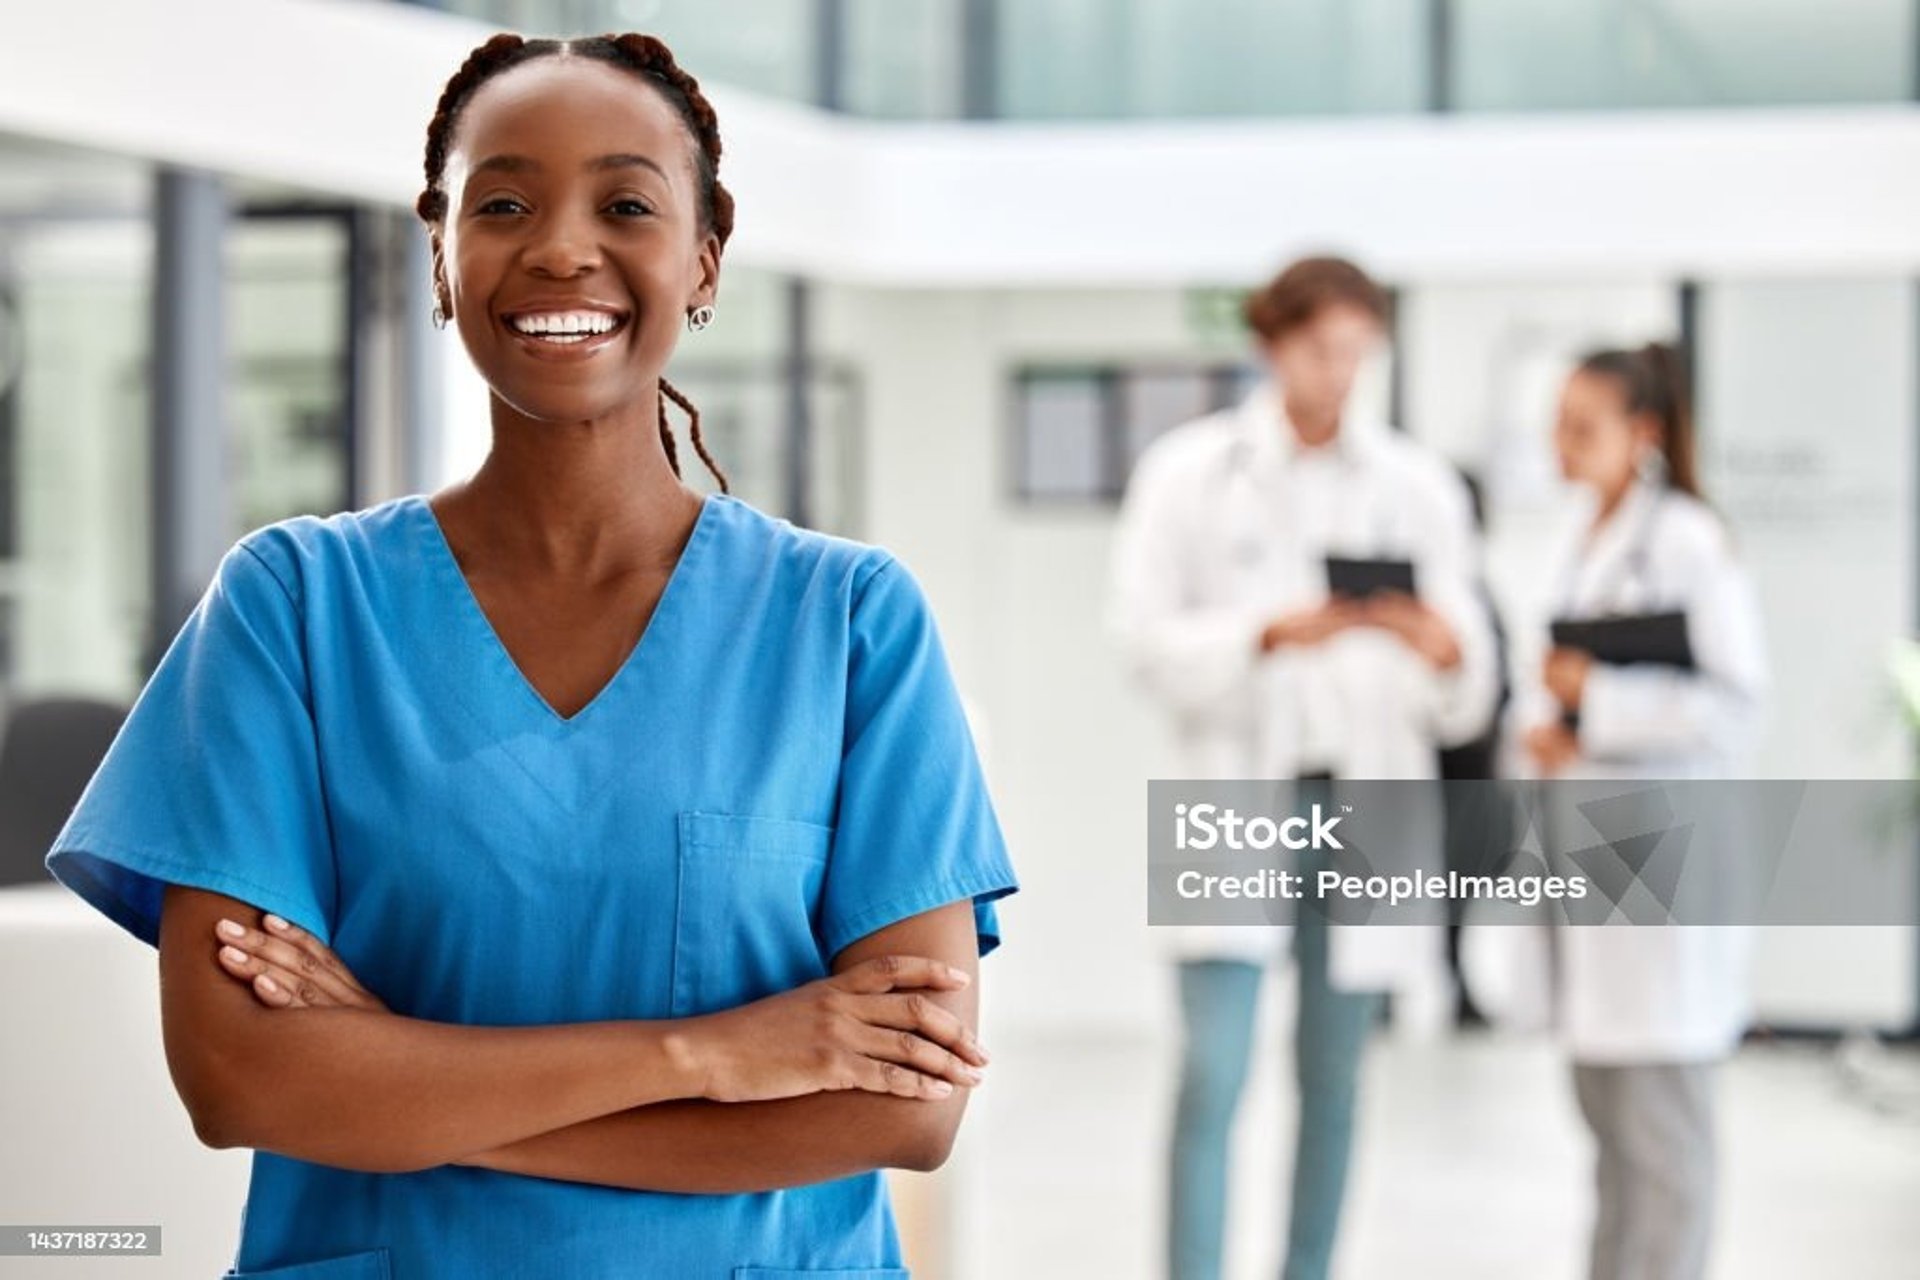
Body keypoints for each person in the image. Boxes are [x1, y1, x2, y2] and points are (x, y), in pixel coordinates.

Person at [44, 32, 1018, 1280]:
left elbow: (906, 1107)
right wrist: (718, 1051)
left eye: (625, 203)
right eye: (502, 203)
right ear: (441, 255)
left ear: (705, 256)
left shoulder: (850, 623)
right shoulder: (292, 606)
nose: (562, 247)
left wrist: (403, 1080)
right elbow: (243, 1078)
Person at [1108, 255, 1499, 1280]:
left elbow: (1473, 675)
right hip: (1238, 792)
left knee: (1336, 1079)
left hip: (1365, 798)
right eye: (1324, 350)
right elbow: (1144, 644)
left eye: (1359, 353)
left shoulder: (1417, 486)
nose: (1342, 373)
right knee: (1213, 1071)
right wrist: (1267, 634)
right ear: (1272, 345)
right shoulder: (1188, 473)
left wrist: (1439, 642)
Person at [1510, 341, 1767, 1280]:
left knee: (1664, 1152)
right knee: (1611, 1139)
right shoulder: (1582, 537)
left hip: (1660, 879)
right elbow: (1554, 690)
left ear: (1643, 433)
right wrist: (1548, 724)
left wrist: (1601, 700)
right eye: (1557, 424)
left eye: (1583, 427)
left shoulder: (1691, 541)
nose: (1561, 445)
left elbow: (1737, 707)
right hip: (1591, 863)